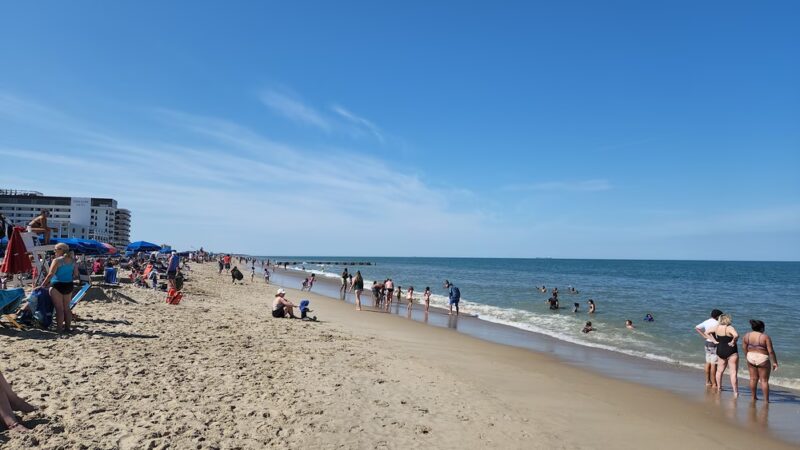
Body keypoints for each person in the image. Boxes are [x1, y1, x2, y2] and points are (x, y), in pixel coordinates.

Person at [39, 242, 78, 333]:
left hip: (57, 285)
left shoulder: (57, 260)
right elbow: (76, 275)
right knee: (67, 308)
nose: (54, 251)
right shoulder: (73, 261)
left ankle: (59, 329)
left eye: (55, 249)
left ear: (61, 250)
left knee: (59, 309)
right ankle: (68, 328)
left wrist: (42, 285)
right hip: (68, 285)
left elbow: (50, 274)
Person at [743, 319, 779, 402]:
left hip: (750, 356)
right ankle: (766, 400)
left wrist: (747, 356)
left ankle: (753, 397)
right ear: (762, 328)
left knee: (753, 379)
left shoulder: (746, 335)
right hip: (762, 358)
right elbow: (770, 351)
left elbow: (744, 348)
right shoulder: (765, 337)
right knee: (764, 380)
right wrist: (775, 362)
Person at [707, 314, 740, 397]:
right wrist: (733, 341)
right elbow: (736, 335)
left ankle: (719, 388)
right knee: (733, 372)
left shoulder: (716, 327)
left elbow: (706, 332)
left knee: (719, 370)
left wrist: (714, 340)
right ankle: (735, 392)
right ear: (728, 320)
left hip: (720, 350)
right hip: (731, 351)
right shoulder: (729, 328)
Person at [695, 309, 723, 388]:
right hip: (714, 343)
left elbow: (697, 327)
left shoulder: (706, 321)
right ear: (718, 316)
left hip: (707, 343)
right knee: (714, 364)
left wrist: (704, 336)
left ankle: (707, 381)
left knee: (708, 362)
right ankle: (714, 383)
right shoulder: (718, 323)